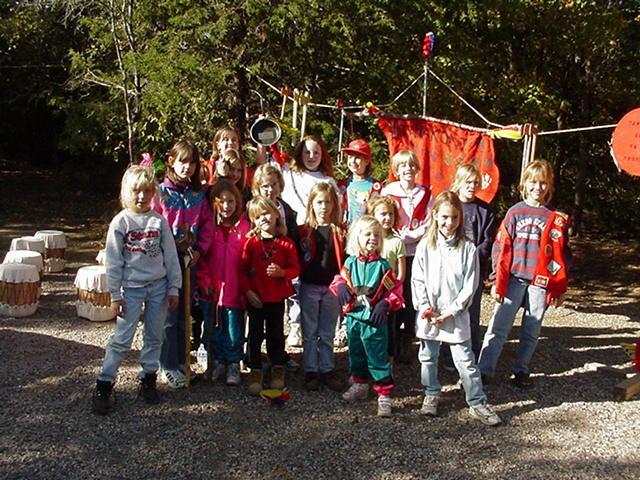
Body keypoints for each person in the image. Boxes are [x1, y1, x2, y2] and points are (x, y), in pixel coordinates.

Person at [92, 165, 181, 415]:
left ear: (153, 192)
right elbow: (114, 261)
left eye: (146, 191)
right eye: (136, 191)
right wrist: (115, 294)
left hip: (158, 287)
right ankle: (105, 382)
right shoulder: (121, 222)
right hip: (131, 288)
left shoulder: (158, 221)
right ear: (126, 192)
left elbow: (171, 258)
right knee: (122, 337)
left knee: (154, 334)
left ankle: (148, 377)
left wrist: (174, 287)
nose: (141, 197)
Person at [478, 159, 570, 389]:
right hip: (514, 278)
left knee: (532, 329)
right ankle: (484, 370)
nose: (537, 187)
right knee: (499, 327)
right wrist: (495, 279)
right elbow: (500, 247)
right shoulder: (515, 212)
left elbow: (562, 256)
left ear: (549, 186)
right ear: (524, 184)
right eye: (533, 182)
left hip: (539, 282)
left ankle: (521, 370)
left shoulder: (554, 217)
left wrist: (560, 287)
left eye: (543, 183)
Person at [411, 191, 502, 426]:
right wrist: (424, 307)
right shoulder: (424, 247)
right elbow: (417, 279)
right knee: (428, 357)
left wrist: (453, 310)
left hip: (455, 315)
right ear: (435, 215)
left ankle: (477, 401)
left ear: (460, 218)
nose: (448, 223)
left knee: (465, 360)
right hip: (429, 314)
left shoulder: (468, 249)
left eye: (453, 217)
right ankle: (431, 392)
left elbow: (470, 286)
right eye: (444, 217)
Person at [153, 140, 214, 389]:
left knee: (184, 314)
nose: (186, 167)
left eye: (192, 163)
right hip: (165, 263)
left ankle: (180, 361)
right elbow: (152, 224)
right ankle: (166, 364)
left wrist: (199, 250)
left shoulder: (198, 196)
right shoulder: (161, 194)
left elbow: (207, 226)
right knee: (169, 312)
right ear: (171, 161)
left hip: (189, 261)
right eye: (182, 162)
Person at [330, 216, 404, 417]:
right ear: (357, 237)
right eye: (368, 234)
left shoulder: (382, 265)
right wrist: (341, 286)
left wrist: (385, 303)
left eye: (377, 235)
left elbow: (394, 289)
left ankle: (384, 394)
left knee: (377, 355)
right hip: (354, 318)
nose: (373, 238)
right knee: (356, 353)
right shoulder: (350, 263)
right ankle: (360, 384)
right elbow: (339, 278)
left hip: (373, 321)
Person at [280, 135, 338, 348]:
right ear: (299, 153)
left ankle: (323, 348)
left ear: (322, 154)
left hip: (320, 235)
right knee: (296, 283)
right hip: (297, 232)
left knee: (315, 281)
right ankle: (295, 325)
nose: (311, 156)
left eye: (316, 152)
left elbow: (336, 209)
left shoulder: (327, 180)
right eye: (306, 152)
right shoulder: (290, 174)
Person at [241, 196, 300, 395]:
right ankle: (255, 369)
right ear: (253, 220)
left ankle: (277, 368)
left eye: (266, 213)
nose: (263, 219)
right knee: (255, 335)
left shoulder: (286, 243)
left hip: (276, 298)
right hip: (256, 298)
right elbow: (241, 270)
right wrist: (248, 291)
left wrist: (282, 273)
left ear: (276, 214)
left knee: (276, 334)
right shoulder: (251, 244)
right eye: (258, 216)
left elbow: (296, 269)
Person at [441, 164, 496, 369]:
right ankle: (447, 356)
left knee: (471, 314)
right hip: (449, 269)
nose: (471, 186)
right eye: (468, 182)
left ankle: (470, 355)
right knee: (449, 311)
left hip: (474, 269)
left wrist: (471, 260)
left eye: (475, 183)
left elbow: (487, 241)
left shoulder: (485, 209)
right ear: (459, 182)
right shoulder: (450, 205)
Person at [196, 180, 250, 386]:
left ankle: (234, 362)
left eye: (231, 201)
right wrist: (204, 281)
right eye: (222, 201)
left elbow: (248, 260)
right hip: (212, 290)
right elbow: (201, 259)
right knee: (213, 328)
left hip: (235, 290)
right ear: (214, 203)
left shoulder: (244, 227)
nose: (226, 206)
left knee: (234, 329)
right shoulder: (209, 228)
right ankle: (217, 360)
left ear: (238, 202)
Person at [381, 150, 430, 363]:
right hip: (391, 252)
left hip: (415, 252)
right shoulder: (388, 191)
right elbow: (380, 215)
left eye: (411, 165)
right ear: (396, 169)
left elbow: (429, 222)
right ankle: (389, 342)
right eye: (403, 166)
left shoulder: (425, 194)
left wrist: (410, 236)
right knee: (391, 295)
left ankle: (407, 340)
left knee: (411, 298)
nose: (407, 169)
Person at [296, 182, 345, 392]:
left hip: (331, 287)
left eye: (327, 202)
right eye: (319, 202)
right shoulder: (304, 231)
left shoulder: (340, 231)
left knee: (327, 331)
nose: (323, 207)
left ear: (334, 205)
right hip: (309, 285)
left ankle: (327, 369)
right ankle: (310, 370)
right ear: (311, 205)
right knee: (309, 331)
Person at [368, 196, 406, 359]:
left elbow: (401, 273)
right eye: (383, 214)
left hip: (389, 293)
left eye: (390, 214)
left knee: (389, 327)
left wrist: (392, 290)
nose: (387, 218)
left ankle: (388, 358)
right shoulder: (369, 239)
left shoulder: (397, 242)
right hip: (370, 291)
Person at [338, 139, 382, 225]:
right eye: (350, 157)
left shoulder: (376, 186)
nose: (353, 161)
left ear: (367, 161)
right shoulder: (342, 185)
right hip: (346, 231)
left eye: (357, 158)